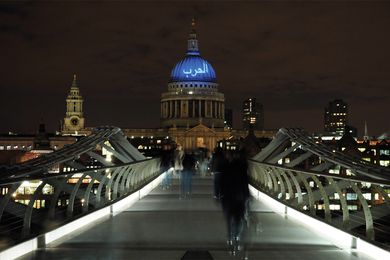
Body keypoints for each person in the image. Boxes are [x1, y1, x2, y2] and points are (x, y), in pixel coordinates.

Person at [220, 149, 250, 252]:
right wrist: (247, 196)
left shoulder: (225, 167)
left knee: (229, 218)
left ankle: (230, 237)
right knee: (238, 218)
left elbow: (221, 183)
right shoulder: (242, 168)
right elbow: (245, 183)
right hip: (239, 197)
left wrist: (220, 195)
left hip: (228, 197)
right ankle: (237, 236)